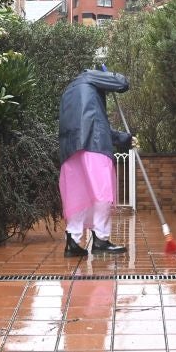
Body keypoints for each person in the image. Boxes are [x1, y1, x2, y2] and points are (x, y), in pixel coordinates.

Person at [58, 68, 135, 257]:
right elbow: (122, 82)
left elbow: (92, 123)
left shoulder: (69, 91)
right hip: (94, 145)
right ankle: (100, 239)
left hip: (70, 150)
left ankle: (72, 241)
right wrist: (111, 76)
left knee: (78, 194)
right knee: (102, 193)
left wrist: (124, 138)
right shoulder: (89, 76)